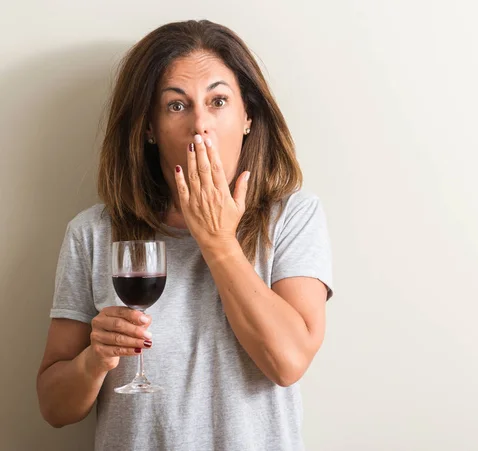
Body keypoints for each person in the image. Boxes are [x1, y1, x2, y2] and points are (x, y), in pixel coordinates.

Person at [36, 19, 333, 451]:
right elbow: (53, 407)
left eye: (218, 101)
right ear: (149, 128)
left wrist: (217, 240)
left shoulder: (293, 218)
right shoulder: (93, 233)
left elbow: (287, 363)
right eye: (177, 105)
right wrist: (93, 361)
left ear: (247, 116)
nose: (200, 126)